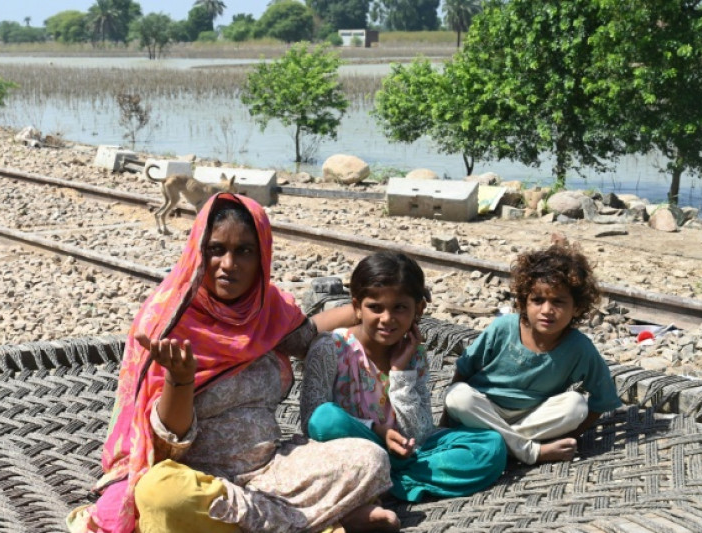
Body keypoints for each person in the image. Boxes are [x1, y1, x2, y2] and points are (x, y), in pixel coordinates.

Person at [67, 193, 400, 533]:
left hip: (271, 470)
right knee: (158, 494)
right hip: (200, 479)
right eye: (216, 250)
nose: (229, 264)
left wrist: (370, 314)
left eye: (244, 251)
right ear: (199, 250)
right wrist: (179, 381)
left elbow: (306, 334)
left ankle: (267, 524)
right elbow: (167, 446)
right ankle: (321, 522)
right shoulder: (168, 320)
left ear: (262, 257)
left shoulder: (266, 308)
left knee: (369, 458)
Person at [301, 251, 507, 503]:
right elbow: (313, 425)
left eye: (399, 308)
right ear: (357, 307)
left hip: (408, 455)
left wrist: (401, 373)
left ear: (418, 309)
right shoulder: (330, 348)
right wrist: (379, 434)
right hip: (352, 452)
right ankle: (388, 478)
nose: (387, 319)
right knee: (325, 417)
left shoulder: (414, 352)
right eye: (375, 308)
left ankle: (385, 484)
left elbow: (419, 432)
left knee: (491, 445)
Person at [443, 243, 622, 465]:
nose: (547, 310)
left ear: (576, 308)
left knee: (576, 405)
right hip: (484, 410)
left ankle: (499, 443)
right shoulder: (504, 328)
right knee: (457, 395)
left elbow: (602, 400)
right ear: (523, 302)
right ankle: (529, 451)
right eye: (538, 300)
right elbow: (463, 370)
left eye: (558, 302)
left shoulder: (580, 348)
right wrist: (443, 426)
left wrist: (572, 436)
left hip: (533, 418)